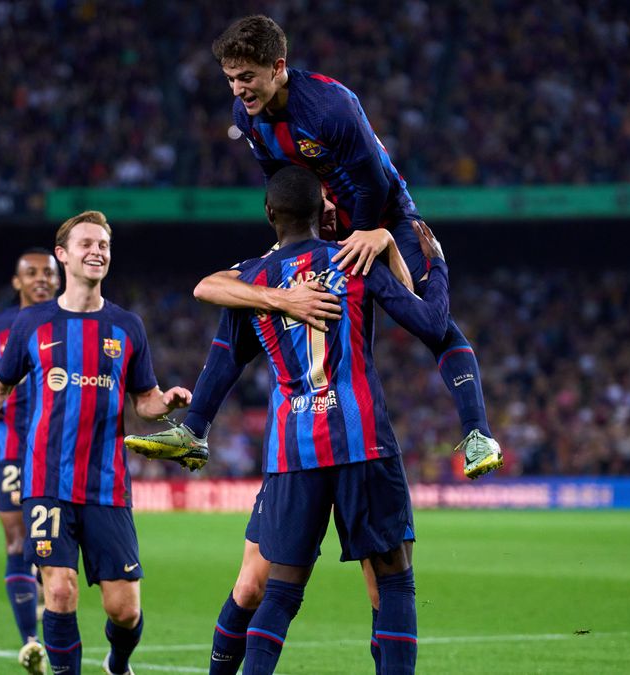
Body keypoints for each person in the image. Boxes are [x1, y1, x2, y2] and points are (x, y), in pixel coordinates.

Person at [133, 167, 448, 673]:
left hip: (293, 449)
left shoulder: (253, 279)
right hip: (361, 441)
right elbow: (432, 325)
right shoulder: (354, 259)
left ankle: (194, 428)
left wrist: (275, 298)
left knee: (279, 592)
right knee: (392, 581)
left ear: (269, 214)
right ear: (325, 212)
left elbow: (208, 291)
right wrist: (437, 267)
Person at [183, 14, 502, 479]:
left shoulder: (330, 106)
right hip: (322, 225)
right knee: (246, 300)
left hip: (386, 218)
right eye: (230, 79)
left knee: (432, 326)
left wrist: (369, 236)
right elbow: (280, 181)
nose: (237, 90)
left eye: (246, 77)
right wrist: (299, 233)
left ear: (278, 66)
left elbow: (374, 183)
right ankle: (193, 430)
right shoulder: (245, 116)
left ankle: (478, 434)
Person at [0, 211, 194, 675]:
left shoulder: (128, 326)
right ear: (62, 255)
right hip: (46, 481)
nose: (97, 251)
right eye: (86, 243)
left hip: (107, 487)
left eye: (104, 244)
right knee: (61, 592)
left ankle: (117, 662)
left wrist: (166, 402)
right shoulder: (33, 324)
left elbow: (144, 400)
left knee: (124, 610)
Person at [0, 247, 61, 653]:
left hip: (60, 449)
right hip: (13, 448)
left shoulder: (73, 319)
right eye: (31, 273)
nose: (40, 279)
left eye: (47, 272)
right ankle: (30, 642)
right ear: (17, 281)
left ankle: (48, 592)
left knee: (52, 545)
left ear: (59, 278)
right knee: (16, 541)